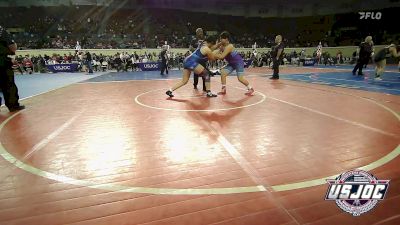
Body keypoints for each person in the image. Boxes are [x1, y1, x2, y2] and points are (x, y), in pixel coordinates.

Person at [214, 31, 254, 95]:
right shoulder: (222, 46)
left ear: (226, 39)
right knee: (223, 73)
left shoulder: (229, 46)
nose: (220, 40)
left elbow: (222, 57)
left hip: (238, 62)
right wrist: (215, 47)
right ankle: (223, 89)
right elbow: (216, 51)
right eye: (220, 39)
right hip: (232, 63)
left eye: (221, 39)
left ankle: (250, 88)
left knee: (240, 78)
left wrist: (212, 55)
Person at [0, 25, 24, 112]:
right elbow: (12, 46)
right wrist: (12, 57)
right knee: (8, 84)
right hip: (3, 62)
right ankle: (13, 105)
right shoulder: (1, 30)